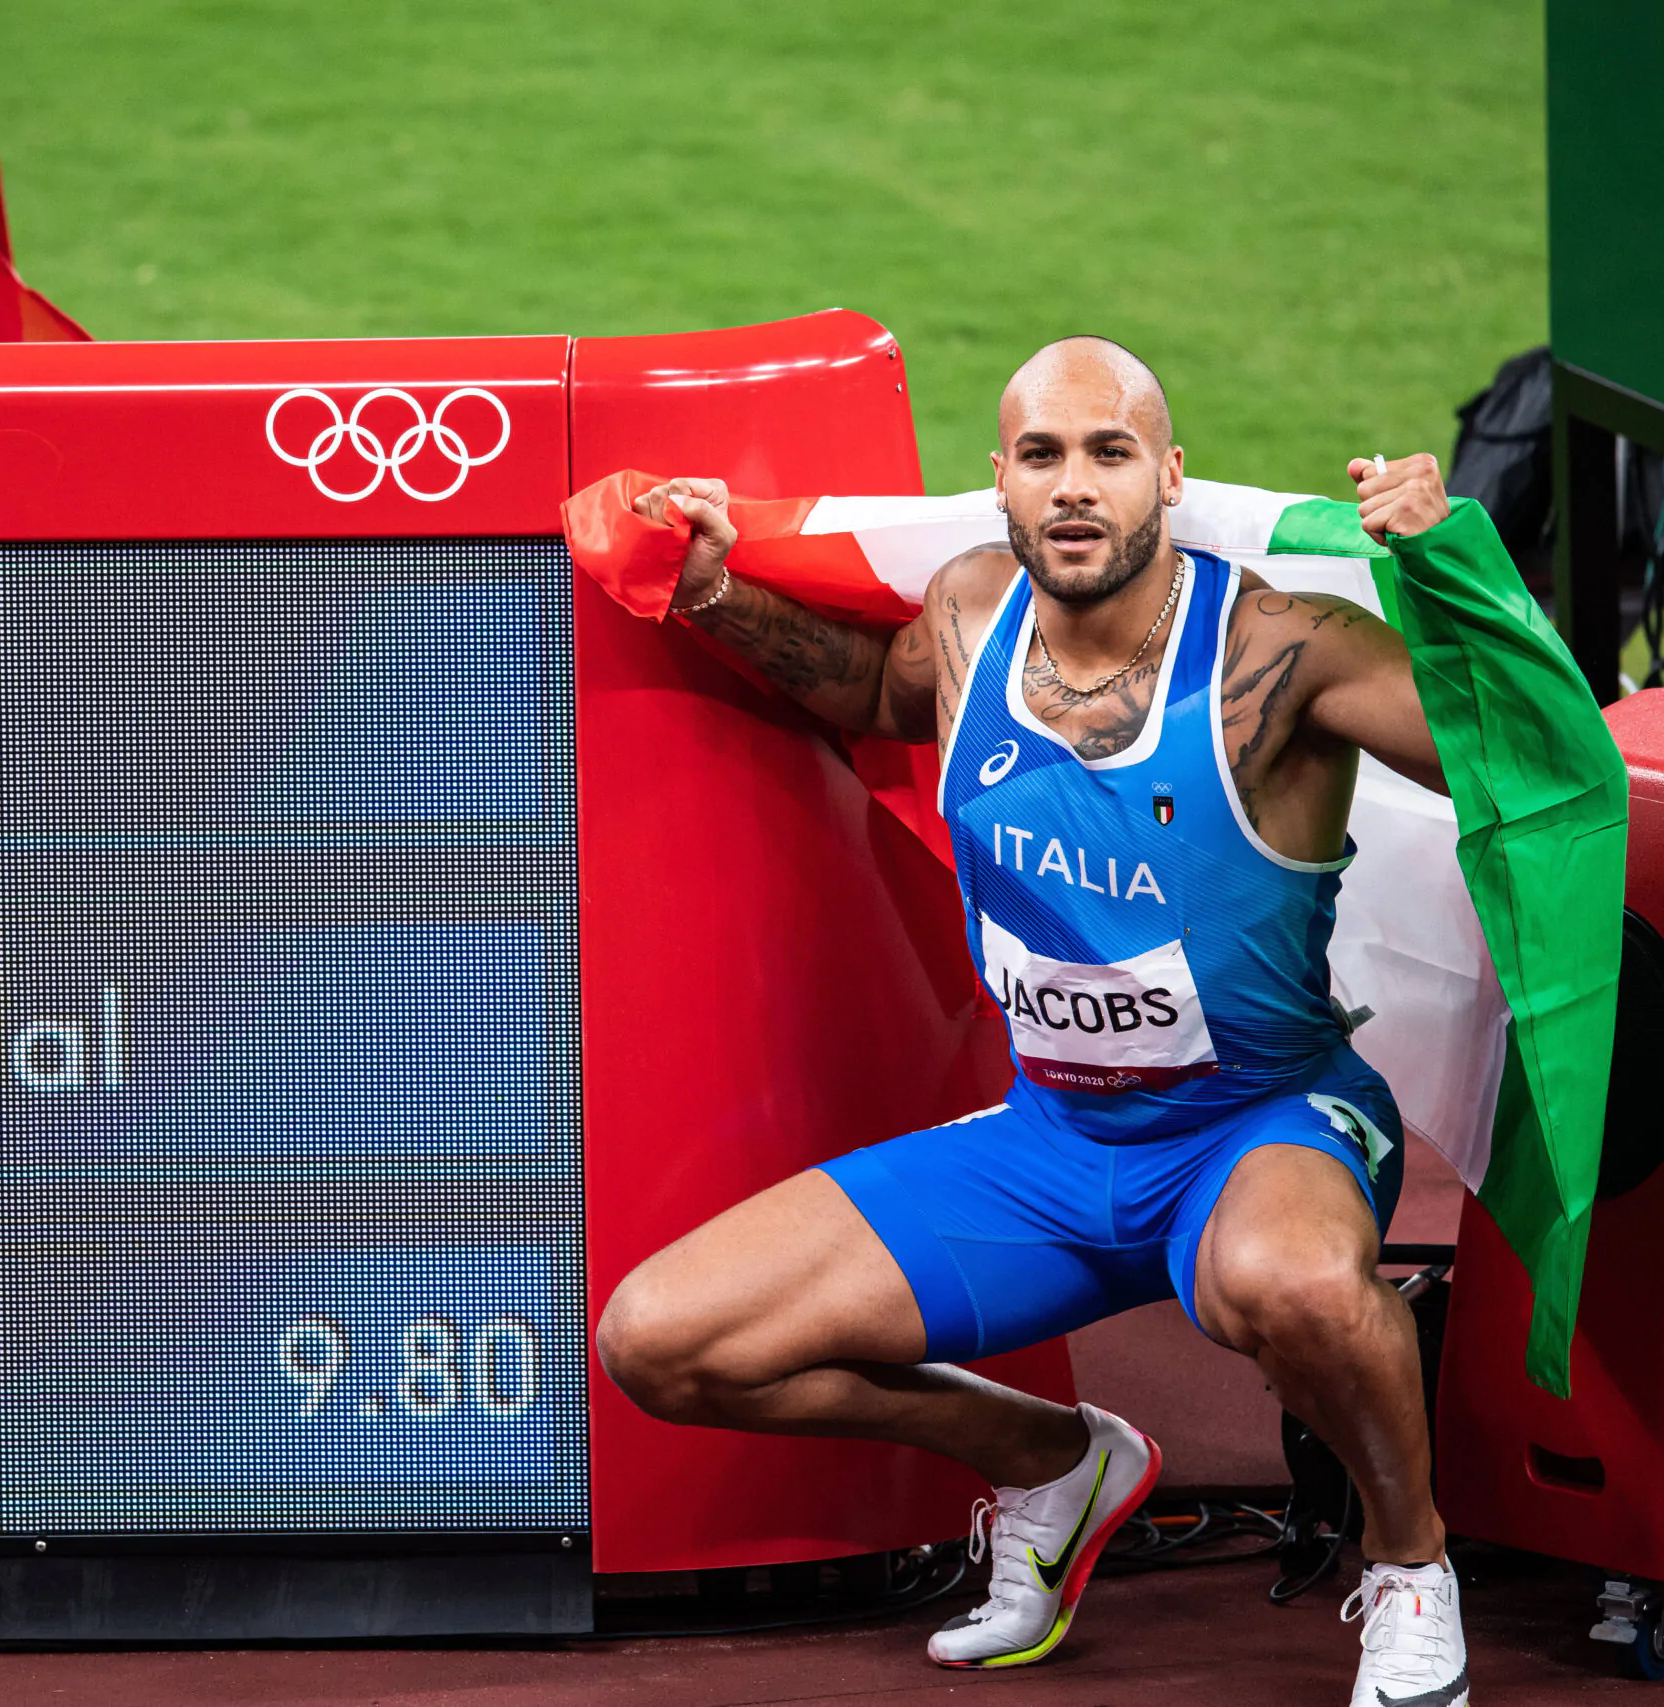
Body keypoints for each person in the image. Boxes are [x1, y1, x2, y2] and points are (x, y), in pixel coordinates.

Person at [592, 336, 1471, 1706]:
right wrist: (708, 588)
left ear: (1167, 478)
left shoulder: (1283, 653)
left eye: (1110, 453)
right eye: (1044, 455)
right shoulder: (966, 614)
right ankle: (1054, 1459)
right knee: (662, 1337)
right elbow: (880, 696)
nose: (1075, 485)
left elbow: (1511, 754)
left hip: (1263, 1123)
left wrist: (1449, 564)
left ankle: (1413, 1568)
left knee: (1289, 1283)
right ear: (998, 478)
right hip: (1052, 1144)